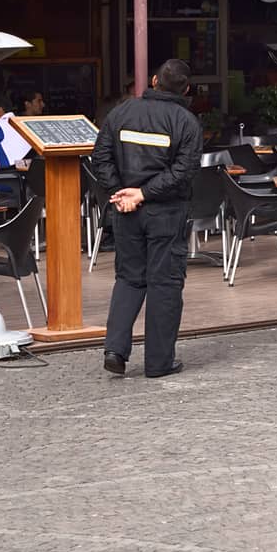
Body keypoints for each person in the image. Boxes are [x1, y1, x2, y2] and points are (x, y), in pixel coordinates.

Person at [91, 58, 202, 379]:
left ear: (153, 81)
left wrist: (121, 192)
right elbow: (183, 173)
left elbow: (101, 157)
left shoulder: (122, 112)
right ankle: (158, 362)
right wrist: (142, 194)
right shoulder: (186, 123)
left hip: (127, 212)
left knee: (128, 278)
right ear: (186, 89)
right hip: (165, 213)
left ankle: (115, 350)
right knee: (164, 283)